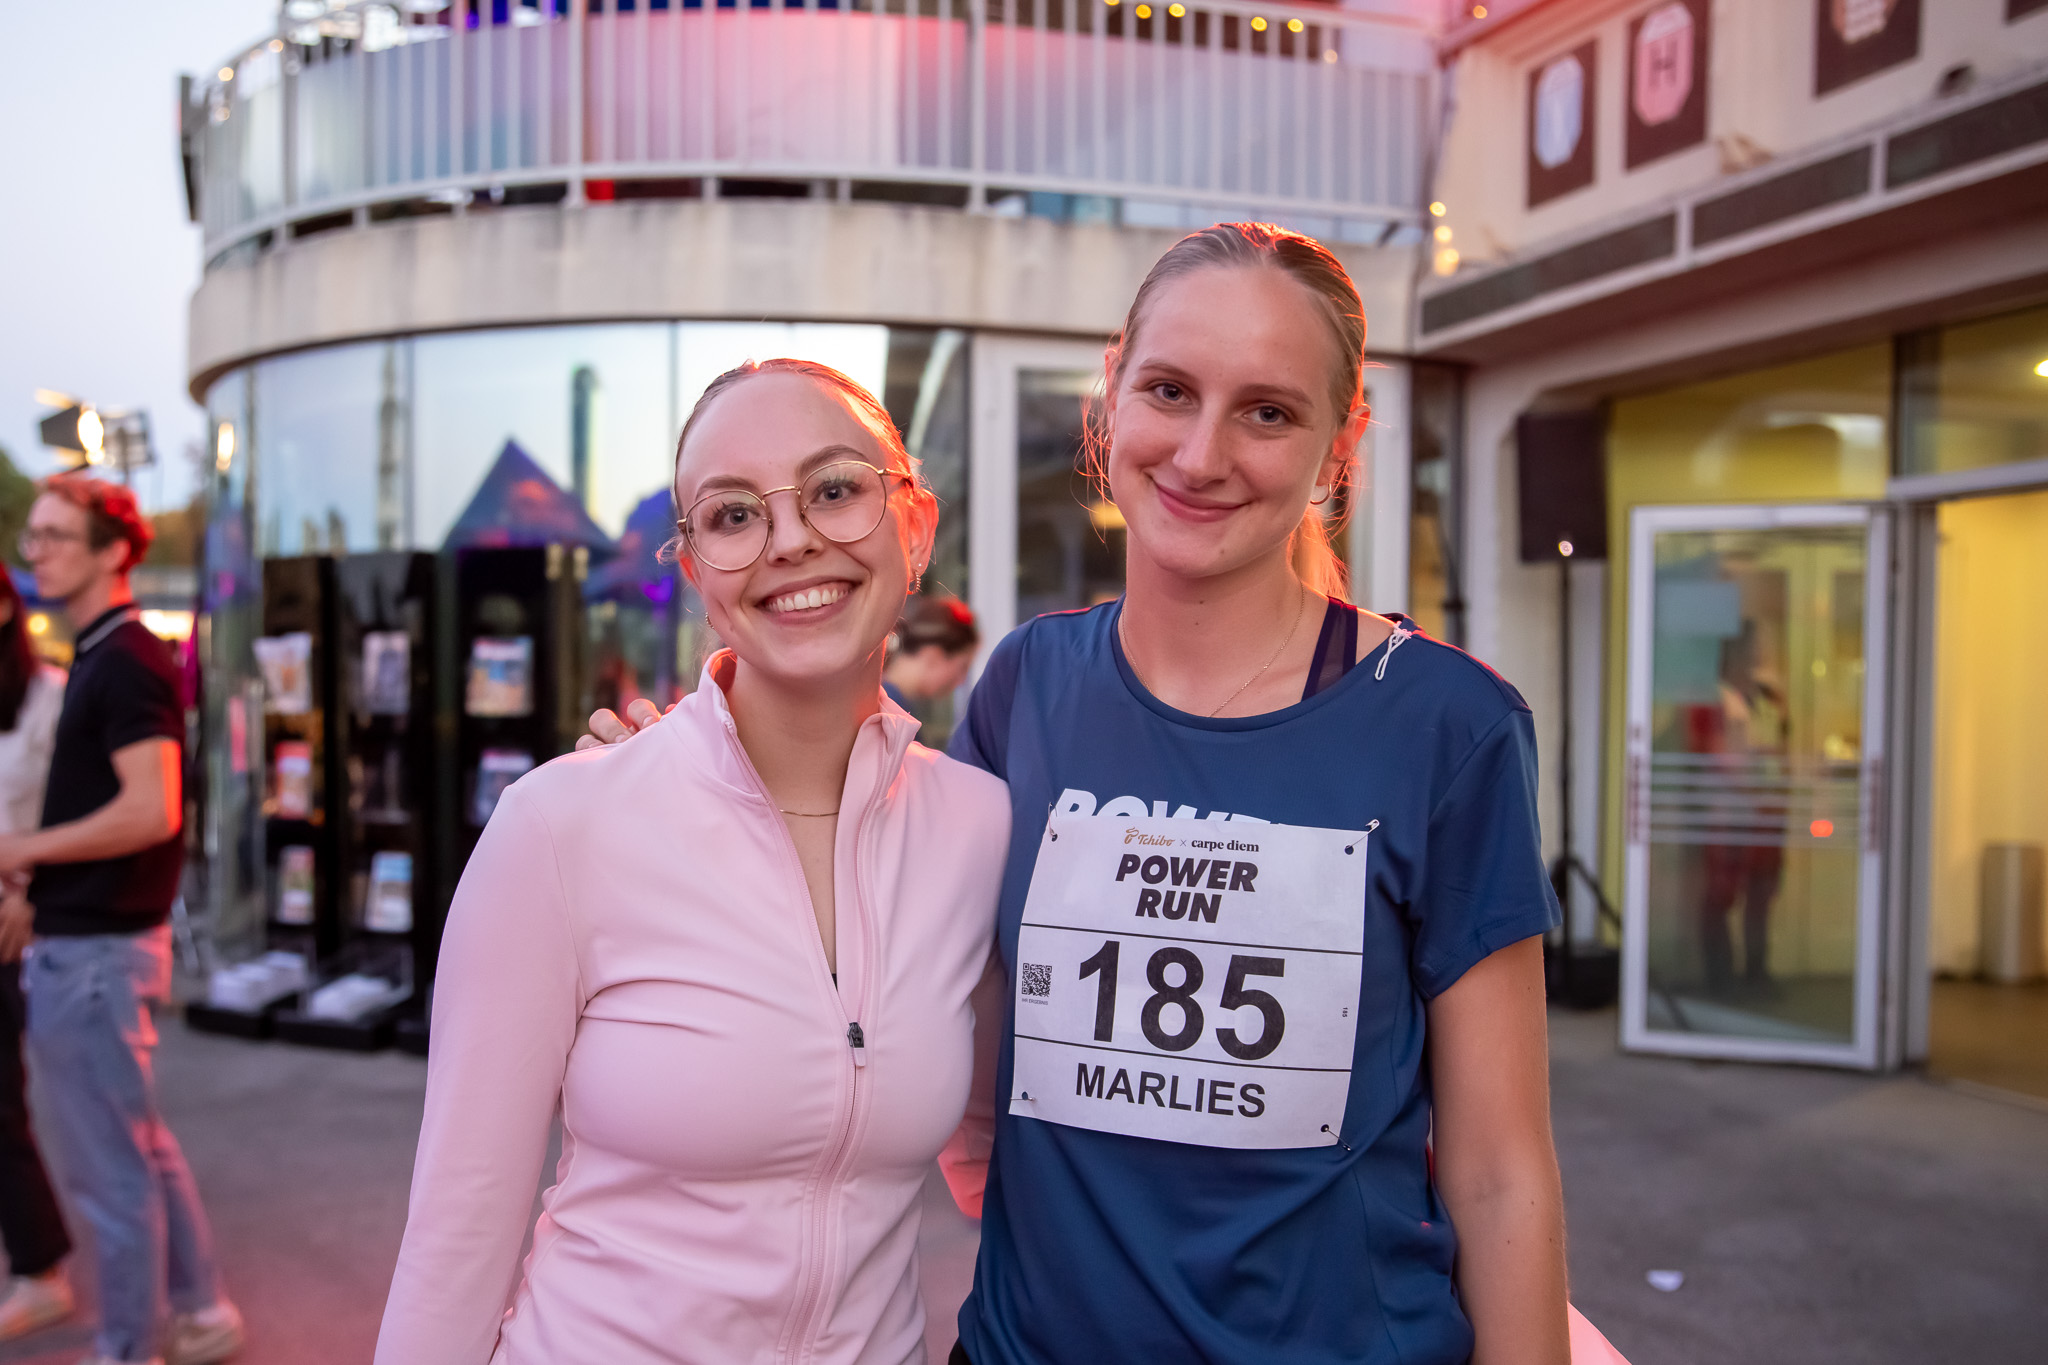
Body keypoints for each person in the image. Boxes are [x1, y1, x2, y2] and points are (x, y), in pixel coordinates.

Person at [591, 225, 1598, 1365]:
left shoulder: (1447, 725)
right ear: (1110, 396)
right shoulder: (1027, 684)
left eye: (1267, 411)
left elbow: (1500, 1170)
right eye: (1169, 391)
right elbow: (864, 905)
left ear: (1340, 443)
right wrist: (686, 774)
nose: (1202, 454)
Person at [374, 359, 1010, 1365]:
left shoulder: (979, 827)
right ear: (696, 573)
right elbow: (456, 1233)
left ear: (917, 526)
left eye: (835, 489)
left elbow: (1001, 1170)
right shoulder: (563, 824)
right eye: (733, 514)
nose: (790, 540)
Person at [0, 476, 242, 1365]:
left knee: (113, 1172)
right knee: (135, 1149)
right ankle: (202, 1312)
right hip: (94, 947)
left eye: (55, 535)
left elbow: (153, 808)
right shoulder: (108, 651)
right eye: (32, 536)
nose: (37, 552)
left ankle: (129, 1348)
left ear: (113, 552)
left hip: (97, 955)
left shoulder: (126, 657)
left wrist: (21, 847)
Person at [0, 569, 75, 1344]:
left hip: (16, 922)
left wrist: (33, 895)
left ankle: (39, 1268)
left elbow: (81, 814)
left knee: (6, 1102)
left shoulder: (50, 697)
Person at [882, 594, 979, 740]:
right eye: (962, 667)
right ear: (933, 655)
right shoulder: (893, 714)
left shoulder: (885, 700)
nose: (961, 680)